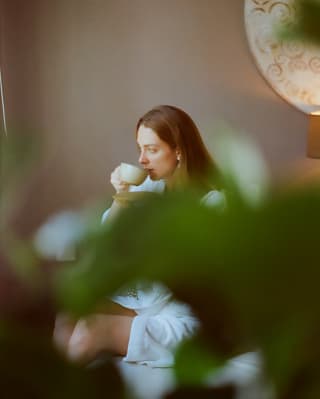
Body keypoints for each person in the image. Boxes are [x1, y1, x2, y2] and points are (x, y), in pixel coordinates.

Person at [53, 105, 225, 367]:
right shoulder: (152, 187)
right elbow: (108, 237)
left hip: (179, 313)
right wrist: (121, 196)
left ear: (178, 149)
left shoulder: (214, 203)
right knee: (70, 317)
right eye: (140, 149)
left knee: (91, 331)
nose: (142, 160)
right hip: (145, 301)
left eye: (152, 149)